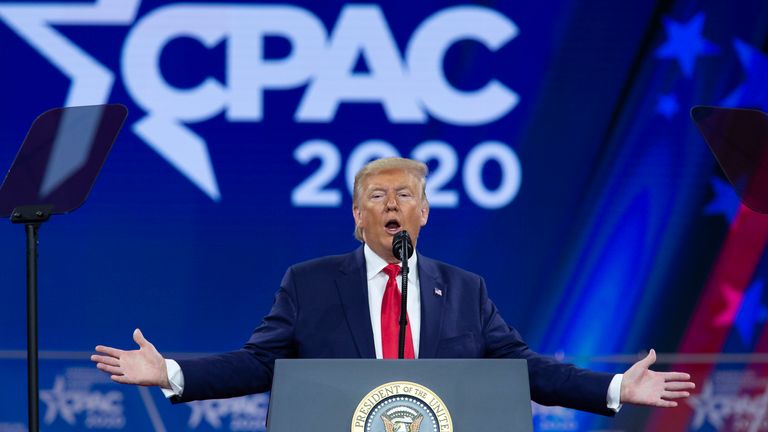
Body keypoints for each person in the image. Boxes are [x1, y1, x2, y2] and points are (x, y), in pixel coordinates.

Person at [91, 157, 694, 415]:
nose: (391, 205)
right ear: (356, 216)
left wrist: (613, 386)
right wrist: (171, 372)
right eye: (375, 197)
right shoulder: (309, 284)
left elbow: (524, 369)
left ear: (424, 213)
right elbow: (258, 364)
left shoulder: (464, 290)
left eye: (405, 194)